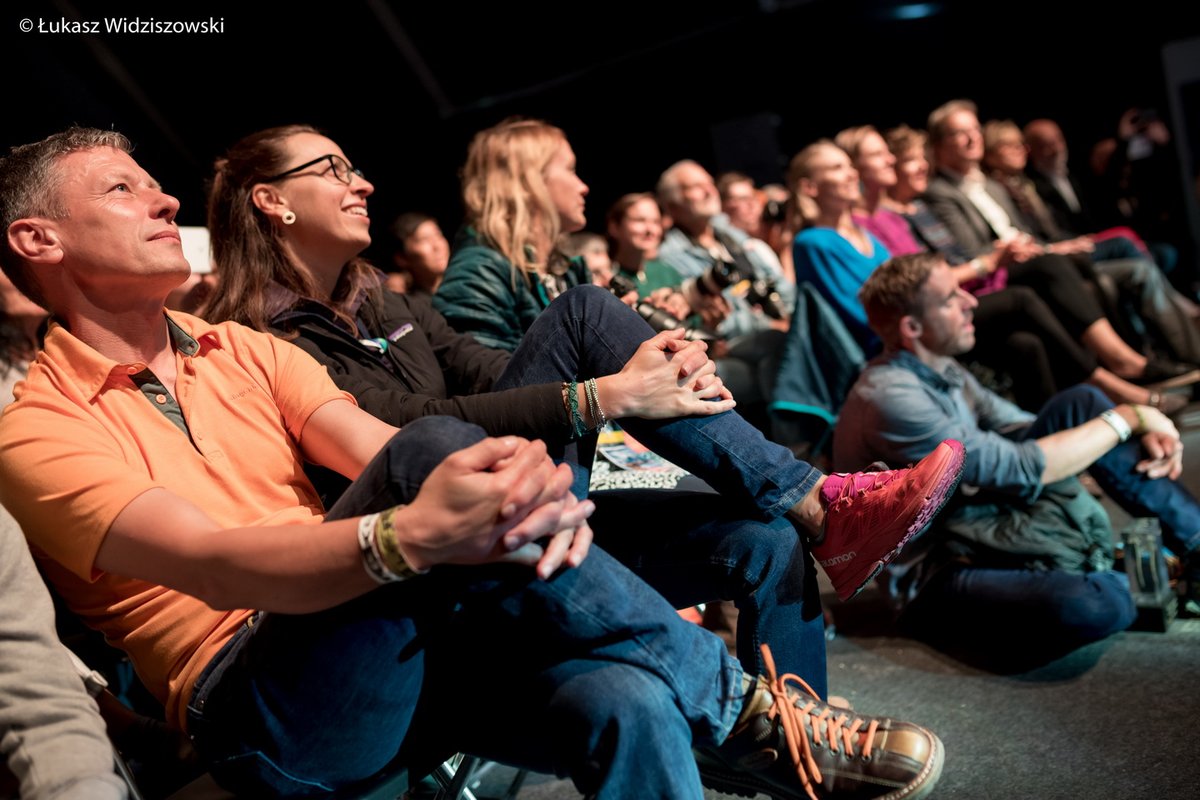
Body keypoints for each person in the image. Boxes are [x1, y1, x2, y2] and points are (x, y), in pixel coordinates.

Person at [0, 127, 950, 800]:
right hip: (263, 699)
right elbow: (217, 563)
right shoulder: (30, 428)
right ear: (37, 241)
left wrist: (506, 486)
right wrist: (409, 534)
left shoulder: (242, 351)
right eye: (122, 190)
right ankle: (748, 705)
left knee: (626, 700)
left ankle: (763, 678)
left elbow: (397, 450)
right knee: (525, 375)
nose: (164, 196)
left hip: (403, 616)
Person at [199, 124, 970, 693]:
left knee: (765, 540)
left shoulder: (387, 299)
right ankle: (820, 502)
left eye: (355, 164)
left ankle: (804, 744)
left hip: (542, 486)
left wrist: (644, 368)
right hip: (446, 547)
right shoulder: (258, 336)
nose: (362, 181)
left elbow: (493, 371)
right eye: (333, 168)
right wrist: (607, 391)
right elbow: (411, 428)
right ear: (272, 201)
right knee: (583, 313)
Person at [835, 252, 1200, 653]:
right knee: (1097, 603)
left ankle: (1194, 544)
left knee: (1082, 404)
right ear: (912, 327)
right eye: (950, 298)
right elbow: (1018, 467)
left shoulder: (943, 368)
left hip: (983, 521)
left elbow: (1024, 426)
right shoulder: (891, 397)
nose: (970, 301)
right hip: (937, 572)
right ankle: (1121, 576)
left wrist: (1121, 423)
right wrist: (1128, 419)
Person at [922, 99, 1196, 386]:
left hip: (1033, 259)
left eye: (975, 129)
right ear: (940, 145)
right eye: (960, 133)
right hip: (1005, 272)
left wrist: (1047, 247)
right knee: (1058, 264)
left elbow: (1029, 233)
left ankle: (1184, 360)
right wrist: (1040, 250)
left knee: (1129, 270)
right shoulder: (940, 193)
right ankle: (1123, 361)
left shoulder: (990, 186)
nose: (972, 138)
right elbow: (972, 252)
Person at [787, 140, 891, 352]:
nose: (852, 174)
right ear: (809, 187)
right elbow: (860, 316)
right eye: (837, 168)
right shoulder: (812, 243)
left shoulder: (866, 234)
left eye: (850, 166)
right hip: (877, 354)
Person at [388, 212, 450, 297]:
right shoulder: (402, 301)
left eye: (438, 235)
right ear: (402, 258)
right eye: (424, 239)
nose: (437, 245)